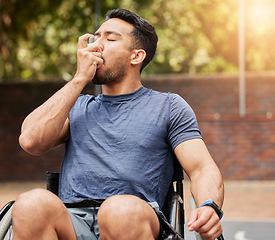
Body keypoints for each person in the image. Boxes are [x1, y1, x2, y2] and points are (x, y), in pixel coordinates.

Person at [13, 9, 224, 240]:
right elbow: (30, 141)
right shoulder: (77, 106)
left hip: (134, 217)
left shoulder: (169, 106)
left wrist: (208, 206)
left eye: (110, 39)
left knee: (118, 210)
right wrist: (79, 79)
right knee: (31, 203)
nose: (97, 44)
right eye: (96, 36)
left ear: (136, 56)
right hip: (72, 222)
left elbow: (202, 168)